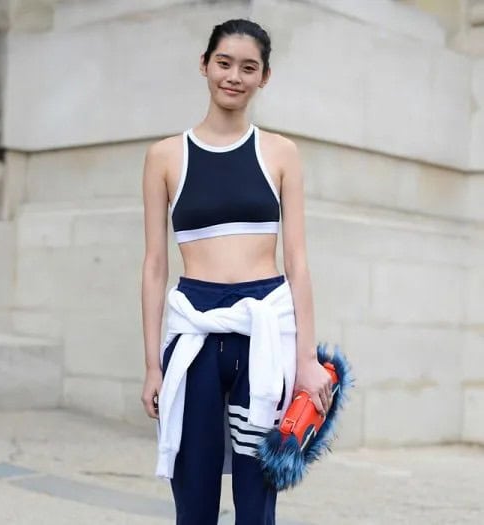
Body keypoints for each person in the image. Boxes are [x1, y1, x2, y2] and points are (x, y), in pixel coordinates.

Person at [141, 18, 333, 525]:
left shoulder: (281, 153)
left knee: (256, 501)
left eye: (249, 67)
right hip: (193, 335)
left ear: (264, 77)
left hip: (265, 333)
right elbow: (155, 265)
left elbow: (297, 262)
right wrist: (151, 365)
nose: (234, 76)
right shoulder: (164, 156)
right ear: (204, 65)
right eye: (224, 63)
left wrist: (307, 359)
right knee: (194, 495)